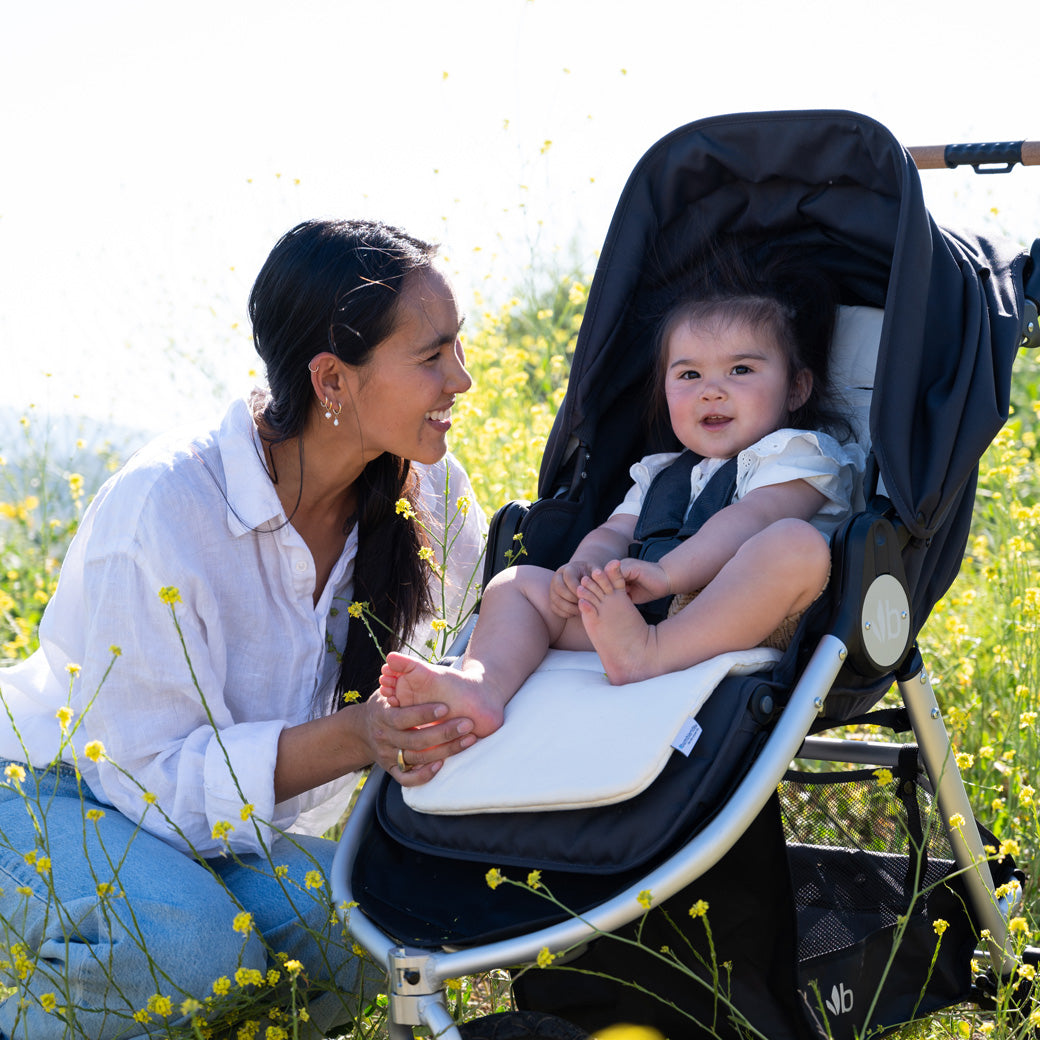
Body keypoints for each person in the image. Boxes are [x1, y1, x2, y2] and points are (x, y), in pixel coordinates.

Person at [0, 219, 486, 1039]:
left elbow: (482, 627)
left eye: (459, 349)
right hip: (55, 792)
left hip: (212, 831)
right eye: (432, 356)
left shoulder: (426, 495)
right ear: (333, 381)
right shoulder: (164, 506)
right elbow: (146, 782)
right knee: (189, 948)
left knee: (368, 935)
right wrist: (362, 733)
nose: (462, 381)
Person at [381, 247, 864, 734]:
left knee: (794, 546)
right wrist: (585, 570)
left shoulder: (800, 453)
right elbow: (617, 532)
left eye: (740, 370)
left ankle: (652, 655)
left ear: (797, 389)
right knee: (515, 586)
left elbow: (753, 518)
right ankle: (481, 685)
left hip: (744, 619)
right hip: (635, 615)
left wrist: (667, 573)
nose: (711, 390)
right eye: (689, 374)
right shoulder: (661, 472)